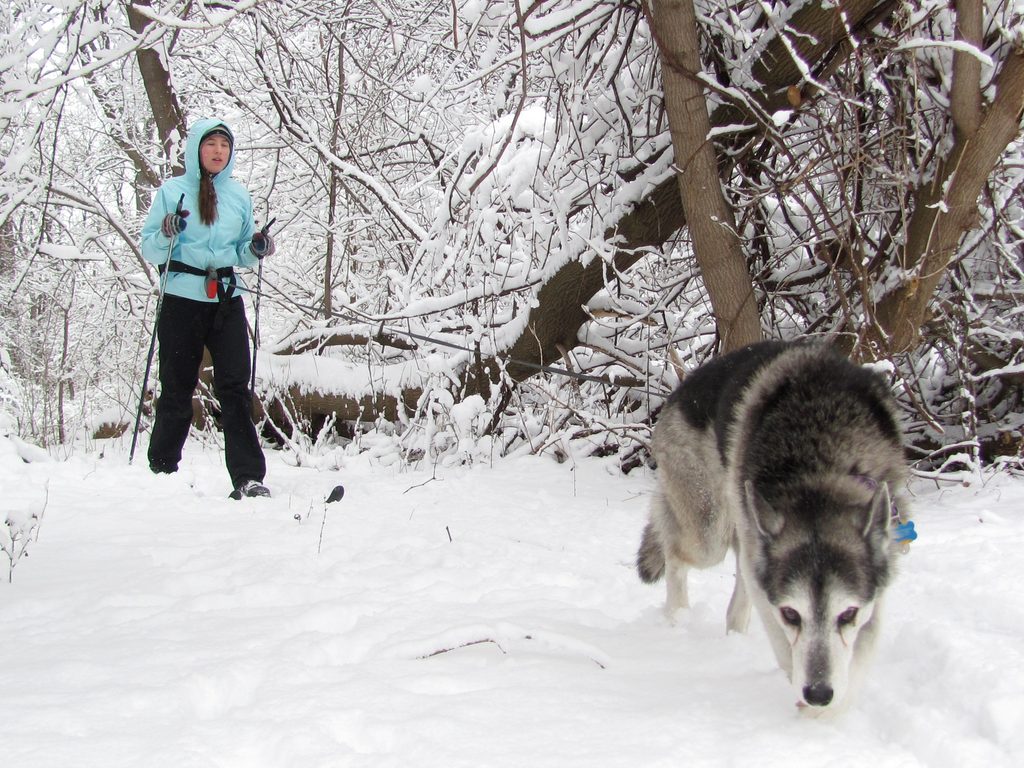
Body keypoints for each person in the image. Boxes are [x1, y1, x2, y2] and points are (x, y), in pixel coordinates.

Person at [140, 117, 275, 499]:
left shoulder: (239, 196)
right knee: (177, 385)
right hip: (182, 299)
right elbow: (149, 247)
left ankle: (248, 478)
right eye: (211, 144)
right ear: (197, 148)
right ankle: (161, 469)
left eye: (224, 145)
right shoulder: (172, 191)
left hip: (226, 299)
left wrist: (257, 248)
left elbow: (243, 251)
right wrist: (166, 228)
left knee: (235, 386)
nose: (218, 151)